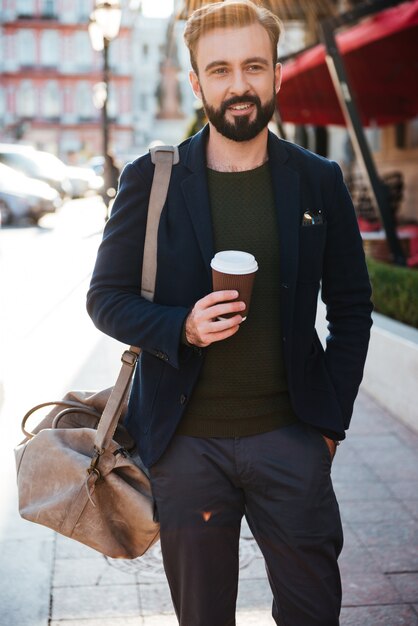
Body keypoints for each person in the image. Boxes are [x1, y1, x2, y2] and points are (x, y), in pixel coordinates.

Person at [87, 1, 373, 624]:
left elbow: (352, 308)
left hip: (293, 441)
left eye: (252, 66)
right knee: (203, 616)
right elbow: (104, 298)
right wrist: (180, 326)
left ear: (274, 73)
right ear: (196, 81)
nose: (238, 85)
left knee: (313, 610)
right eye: (219, 70)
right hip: (186, 450)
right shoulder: (152, 179)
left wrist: (329, 428)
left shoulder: (319, 180)